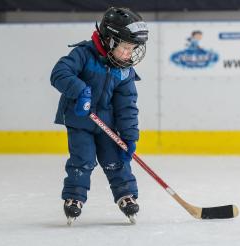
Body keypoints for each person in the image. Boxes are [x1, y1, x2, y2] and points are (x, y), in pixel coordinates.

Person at [50, 7, 148, 224]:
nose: (128, 54)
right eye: (124, 47)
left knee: (116, 159)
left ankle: (125, 195)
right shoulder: (83, 54)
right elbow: (59, 73)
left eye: (132, 49)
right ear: (109, 40)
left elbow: (127, 105)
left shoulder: (123, 68)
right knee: (83, 159)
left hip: (107, 124)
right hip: (80, 121)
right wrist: (80, 90)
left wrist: (130, 135)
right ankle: (74, 198)